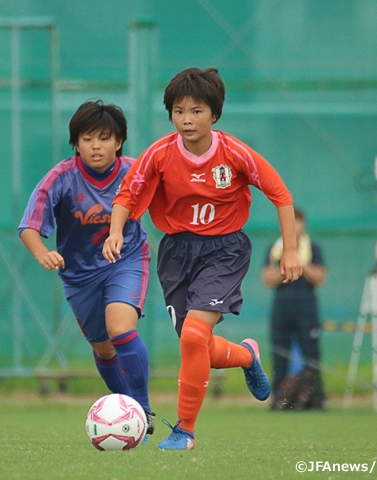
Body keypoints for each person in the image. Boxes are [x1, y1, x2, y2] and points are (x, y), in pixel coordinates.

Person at [102, 67, 302, 450]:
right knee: (196, 345)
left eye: (196, 111)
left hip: (225, 251)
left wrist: (290, 249)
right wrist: (114, 232)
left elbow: (280, 193)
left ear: (214, 114)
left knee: (194, 335)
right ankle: (246, 356)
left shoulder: (234, 153)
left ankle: (185, 431)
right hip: (177, 253)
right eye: (179, 111)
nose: (187, 119)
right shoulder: (159, 154)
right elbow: (128, 194)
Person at [18, 100, 155, 439]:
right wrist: (41, 253)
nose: (96, 146)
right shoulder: (60, 178)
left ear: (119, 141)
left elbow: (171, 194)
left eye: (105, 138)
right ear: (76, 143)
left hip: (126, 260)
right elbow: (29, 226)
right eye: (88, 138)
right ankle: (125, 409)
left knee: (120, 328)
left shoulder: (135, 172)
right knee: (103, 347)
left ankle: (141, 408)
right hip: (79, 276)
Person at [262, 208, 326, 410]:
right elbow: (267, 279)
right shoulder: (274, 249)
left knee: (311, 354)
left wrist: (300, 263)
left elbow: (319, 277)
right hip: (281, 307)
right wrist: (287, 266)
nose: (294, 227)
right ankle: (279, 400)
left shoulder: (313, 248)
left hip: (306, 306)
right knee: (279, 354)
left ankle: (315, 400)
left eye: (297, 222)